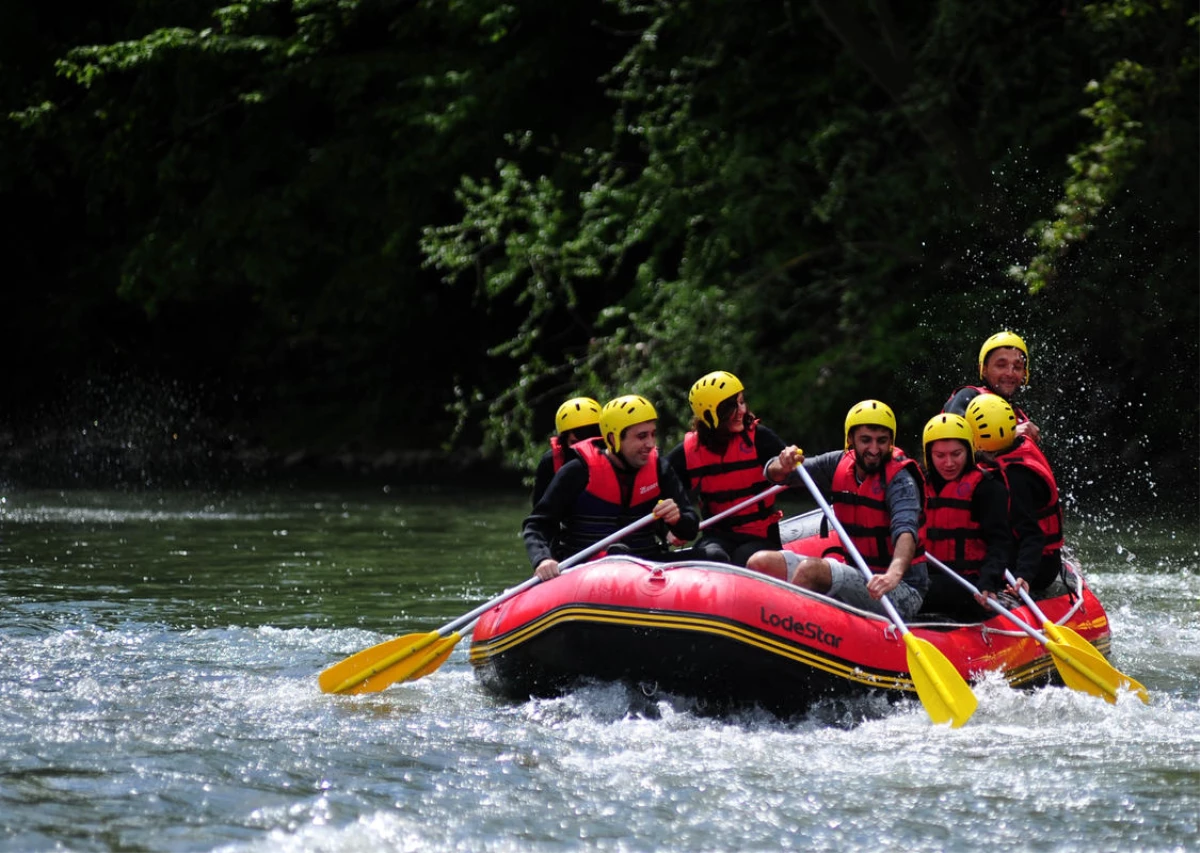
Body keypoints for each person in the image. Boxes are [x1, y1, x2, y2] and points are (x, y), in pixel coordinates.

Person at [745, 400, 928, 620]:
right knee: (760, 562)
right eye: (865, 440)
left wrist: (894, 572)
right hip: (859, 572)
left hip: (899, 589)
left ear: (891, 441)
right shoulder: (839, 463)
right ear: (850, 439)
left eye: (882, 441)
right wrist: (781, 464)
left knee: (810, 571)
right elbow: (776, 474)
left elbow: (906, 531)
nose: (874, 449)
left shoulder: (900, 480)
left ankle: (780, 627)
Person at [523, 394, 700, 582]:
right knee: (617, 554)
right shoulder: (578, 471)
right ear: (613, 439)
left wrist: (678, 520)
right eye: (641, 436)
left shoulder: (660, 468)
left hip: (647, 565)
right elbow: (537, 524)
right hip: (585, 570)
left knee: (713, 556)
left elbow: (690, 529)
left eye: (652, 434)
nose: (650, 444)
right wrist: (543, 559)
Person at [665, 370, 789, 567]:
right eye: (732, 406)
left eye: (742, 402)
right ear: (711, 414)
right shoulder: (691, 451)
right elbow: (660, 485)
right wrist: (671, 527)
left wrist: (786, 464)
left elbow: (792, 472)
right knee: (712, 558)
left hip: (761, 536)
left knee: (742, 559)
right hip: (717, 536)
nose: (742, 410)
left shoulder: (759, 438)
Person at [964, 393, 1064, 596]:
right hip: (1019, 551)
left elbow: (1032, 534)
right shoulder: (1017, 444)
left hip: (1038, 564)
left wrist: (1024, 576)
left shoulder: (1015, 477)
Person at [916, 412, 1013, 621]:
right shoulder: (917, 485)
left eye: (956, 454)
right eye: (940, 456)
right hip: (927, 578)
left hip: (971, 583)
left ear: (969, 450)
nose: (949, 463)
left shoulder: (988, 487)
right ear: (928, 455)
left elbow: (999, 543)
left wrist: (989, 581)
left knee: (935, 590)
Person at [944, 330, 1041, 444]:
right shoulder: (968, 396)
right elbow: (950, 443)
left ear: (1024, 374)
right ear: (984, 369)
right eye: (1001, 365)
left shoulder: (1020, 417)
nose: (1010, 373)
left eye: (1017, 367)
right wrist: (1009, 435)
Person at [531, 396, 603, 507]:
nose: (584, 450)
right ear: (564, 440)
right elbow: (539, 509)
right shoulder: (550, 462)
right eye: (576, 443)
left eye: (590, 442)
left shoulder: (618, 458)